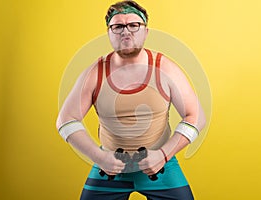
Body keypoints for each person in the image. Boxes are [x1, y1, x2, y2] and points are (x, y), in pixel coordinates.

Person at [56, 1, 206, 199]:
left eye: (134, 25)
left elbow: (196, 116)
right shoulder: (95, 73)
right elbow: (65, 120)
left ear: (146, 31)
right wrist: (99, 157)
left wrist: (163, 155)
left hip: (161, 166)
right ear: (109, 33)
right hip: (109, 168)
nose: (126, 31)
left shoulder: (165, 69)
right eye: (117, 26)